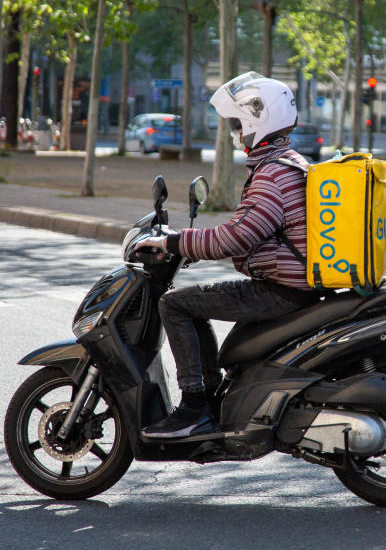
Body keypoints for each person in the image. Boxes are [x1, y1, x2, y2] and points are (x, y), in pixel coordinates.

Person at [135, 72, 319, 438]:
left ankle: (194, 406)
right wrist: (191, 239)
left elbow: (236, 238)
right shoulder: (289, 162)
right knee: (194, 302)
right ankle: (211, 391)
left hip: (280, 289)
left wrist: (172, 243)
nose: (236, 133)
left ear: (257, 118)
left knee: (174, 305)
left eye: (237, 124)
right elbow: (250, 227)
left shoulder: (273, 173)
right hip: (292, 284)